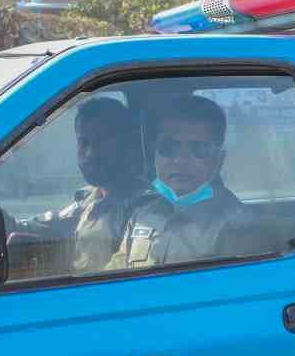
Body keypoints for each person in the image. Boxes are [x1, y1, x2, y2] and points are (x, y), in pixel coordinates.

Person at [107, 95, 271, 268]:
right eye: (168, 147)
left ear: (219, 160)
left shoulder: (239, 229)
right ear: (153, 154)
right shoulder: (142, 214)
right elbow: (114, 273)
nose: (180, 160)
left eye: (199, 149)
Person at [21, 96, 147, 272]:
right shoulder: (88, 199)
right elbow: (53, 222)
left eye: (102, 143)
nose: (90, 153)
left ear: (126, 145)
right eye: (84, 143)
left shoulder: (145, 211)